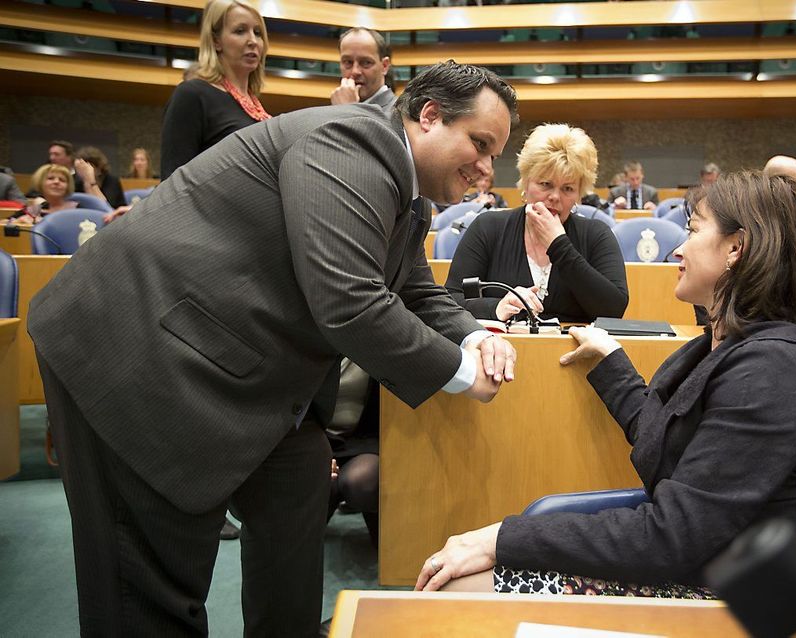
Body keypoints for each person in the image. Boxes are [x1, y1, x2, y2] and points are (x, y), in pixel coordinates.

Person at [27, 60, 519, 636]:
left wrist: (475, 333)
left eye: (494, 156)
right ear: (430, 116)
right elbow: (349, 301)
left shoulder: (407, 187)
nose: (486, 169)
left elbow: (410, 287)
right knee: (148, 590)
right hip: (136, 348)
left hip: (235, 360)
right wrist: (460, 371)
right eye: (480, 145)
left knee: (300, 482)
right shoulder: (353, 140)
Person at [416, 171, 796, 596]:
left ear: (736, 248)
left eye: (692, 231)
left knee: (461, 587)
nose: (679, 247)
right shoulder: (726, 350)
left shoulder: (771, 374)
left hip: (749, 601)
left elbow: (670, 538)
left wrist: (499, 539)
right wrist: (612, 361)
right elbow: (663, 433)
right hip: (703, 568)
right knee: (462, 580)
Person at [445, 123, 628, 324]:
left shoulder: (596, 234)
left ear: (579, 193)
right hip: (500, 349)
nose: (555, 197)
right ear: (526, 183)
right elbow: (452, 300)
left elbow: (614, 309)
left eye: (567, 188)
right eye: (545, 184)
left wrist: (560, 246)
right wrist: (496, 306)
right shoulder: (488, 228)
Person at [160, 0, 271, 181]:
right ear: (216, 41)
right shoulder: (192, 94)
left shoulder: (255, 106)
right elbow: (172, 183)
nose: (253, 41)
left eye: (258, 33)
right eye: (240, 31)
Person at [330, 27, 394, 110]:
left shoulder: (400, 114)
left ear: (384, 66)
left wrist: (347, 110)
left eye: (366, 62)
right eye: (348, 62)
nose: (355, 71)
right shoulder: (333, 109)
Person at [9, 164, 78, 224]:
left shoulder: (78, 209)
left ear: (68, 186)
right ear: (40, 183)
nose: (56, 182)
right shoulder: (35, 210)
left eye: (62, 180)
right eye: (51, 178)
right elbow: (5, 222)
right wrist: (18, 221)